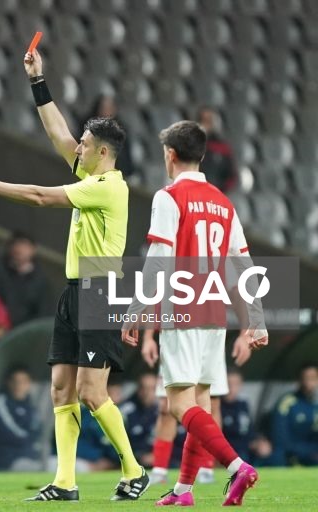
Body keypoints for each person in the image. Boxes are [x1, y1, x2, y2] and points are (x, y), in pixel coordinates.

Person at [0, 48, 149, 502]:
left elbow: (40, 197)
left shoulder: (107, 188)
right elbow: (58, 133)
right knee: (62, 388)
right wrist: (39, 82)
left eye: (83, 143)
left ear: (102, 151)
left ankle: (135, 470)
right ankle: (65, 482)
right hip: (77, 288)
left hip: (101, 289)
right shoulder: (89, 173)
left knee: (93, 393)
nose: (74, 147)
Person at [121, 120, 268, 506]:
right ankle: (184, 490)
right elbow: (243, 262)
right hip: (214, 312)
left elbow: (159, 259)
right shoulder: (223, 201)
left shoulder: (168, 197)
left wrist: (135, 310)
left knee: (179, 405)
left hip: (182, 310)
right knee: (200, 404)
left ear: (170, 154)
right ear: (201, 155)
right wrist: (256, 319)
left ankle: (237, 468)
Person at [142, 326, 252, 485]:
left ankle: (207, 468)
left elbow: (243, 300)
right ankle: (160, 470)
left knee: (209, 404)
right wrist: (148, 336)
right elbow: (154, 300)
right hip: (178, 334)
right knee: (167, 406)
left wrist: (245, 334)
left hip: (210, 332)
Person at [0, 367, 42, 471]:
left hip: (30, 458)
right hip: (7, 460)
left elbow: (37, 431)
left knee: (75, 465)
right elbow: (11, 434)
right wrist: (30, 444)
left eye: (23, 382)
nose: (19, 386)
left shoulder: (30, 407)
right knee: (43, 469)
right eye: (15, 381)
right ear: (8, 383)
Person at [0, 232, 52, 328]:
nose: (18, 250)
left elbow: (43, 313)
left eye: (24, 246)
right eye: (15, 245)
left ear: (33, 250)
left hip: (23, 333)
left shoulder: (41, 281)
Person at [270, 362, 318, 466]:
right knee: (278, 456)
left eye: (313, 378)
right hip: (289, 452)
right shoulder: (287, 402)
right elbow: (280, 437)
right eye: (305, 378)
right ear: (299, 380)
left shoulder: (315, 405)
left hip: (310, 453)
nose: (308, 382)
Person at [80, 94, 135, 179]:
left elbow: (126, 159)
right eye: (103, 108)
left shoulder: (121, 130)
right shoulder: (87, 127)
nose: (106, 111)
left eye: (109, 108)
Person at [119, 373, 158, 467]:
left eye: (152, 388)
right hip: (129, 461)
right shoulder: (126, 410)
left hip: (164, 461)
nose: (147, 393)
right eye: (144, 388)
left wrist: (157, 456)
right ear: (138, 390)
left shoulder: (166, 411)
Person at [197, 106, 237, 193]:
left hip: (215, 196)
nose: (208, 123)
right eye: (204, 120)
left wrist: (220, 192)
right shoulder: (190, 145)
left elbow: (231, 176)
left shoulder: (222, 147)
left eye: (210, 120)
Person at [221, 369, 255, 461]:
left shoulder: (243, 405)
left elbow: (250, 431)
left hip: (245, 450)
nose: (232, 388)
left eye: (236, 384)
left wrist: (257, 442)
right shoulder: (216, 407)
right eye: (228, 384)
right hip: (226, 452)